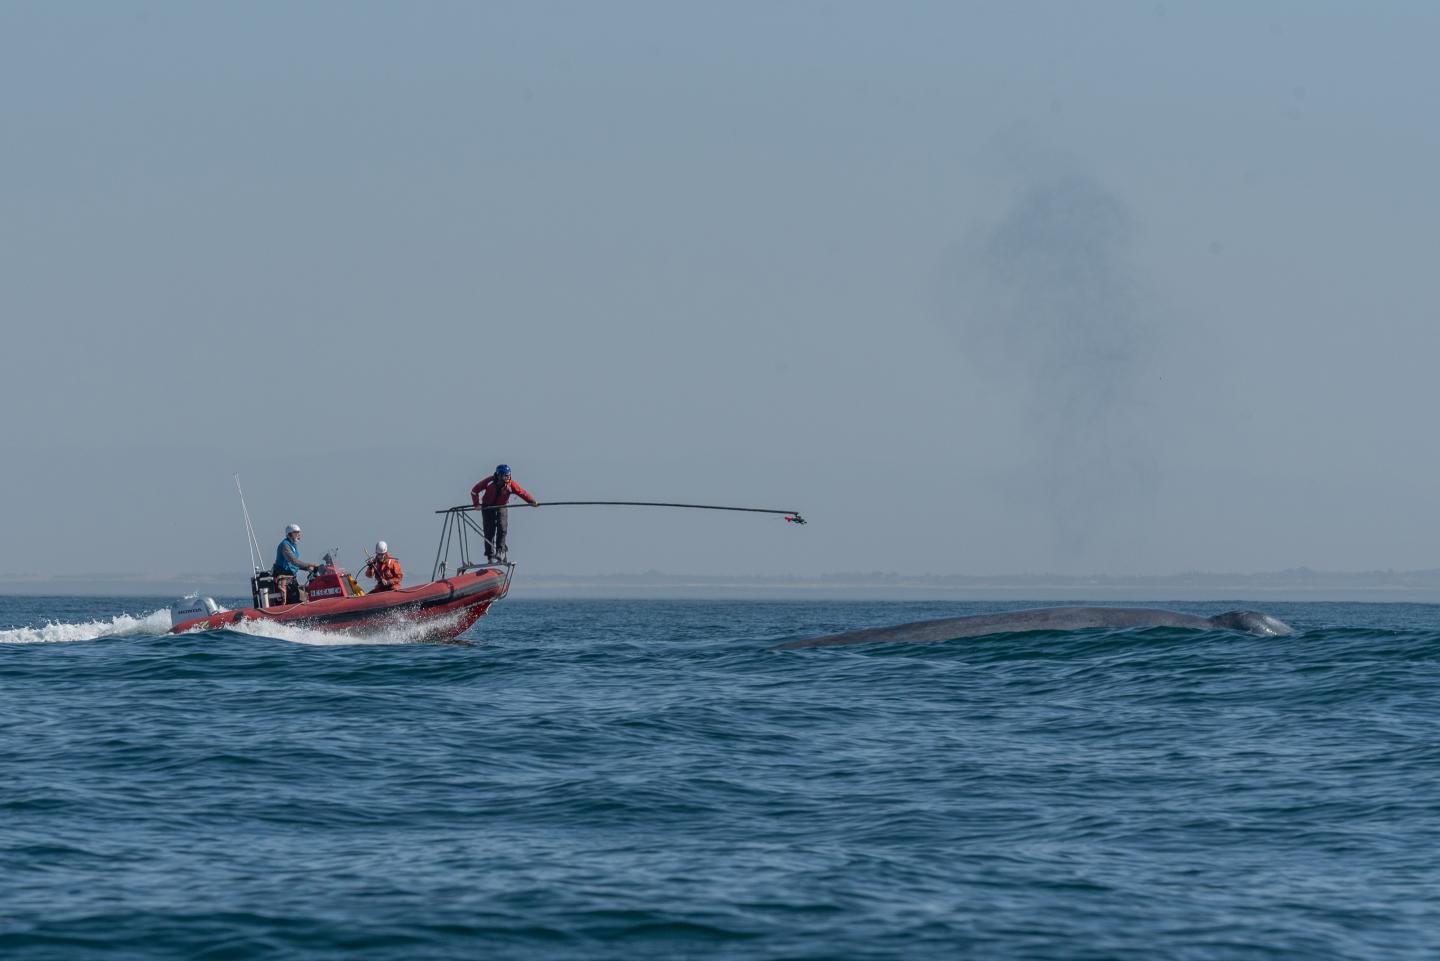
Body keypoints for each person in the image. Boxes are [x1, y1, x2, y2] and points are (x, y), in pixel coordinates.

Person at [470, 464, 538, 563]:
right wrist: (476, 504)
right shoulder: (489, 481)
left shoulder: (511, 484)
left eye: (509, 475)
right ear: (499, 475)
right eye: (506, 475)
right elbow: (474, 491)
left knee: (502, 528)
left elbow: (522, 493)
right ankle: (490, 555)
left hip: (502, 507)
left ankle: (500, 551)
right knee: (489, 531)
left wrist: (532, 501)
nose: (508, 477)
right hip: (487, 507)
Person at [273, 523, 321, 603]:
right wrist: (310, 565)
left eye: (299, 533)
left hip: (291, 577)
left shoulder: (293, 545)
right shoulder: (285, 545)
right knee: (293, 599)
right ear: (290, 534)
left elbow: (295, 564)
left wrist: (307, 568)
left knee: (303, 597)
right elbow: (293, 561)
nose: (298, 535)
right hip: (284, 577)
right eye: (296, 533)